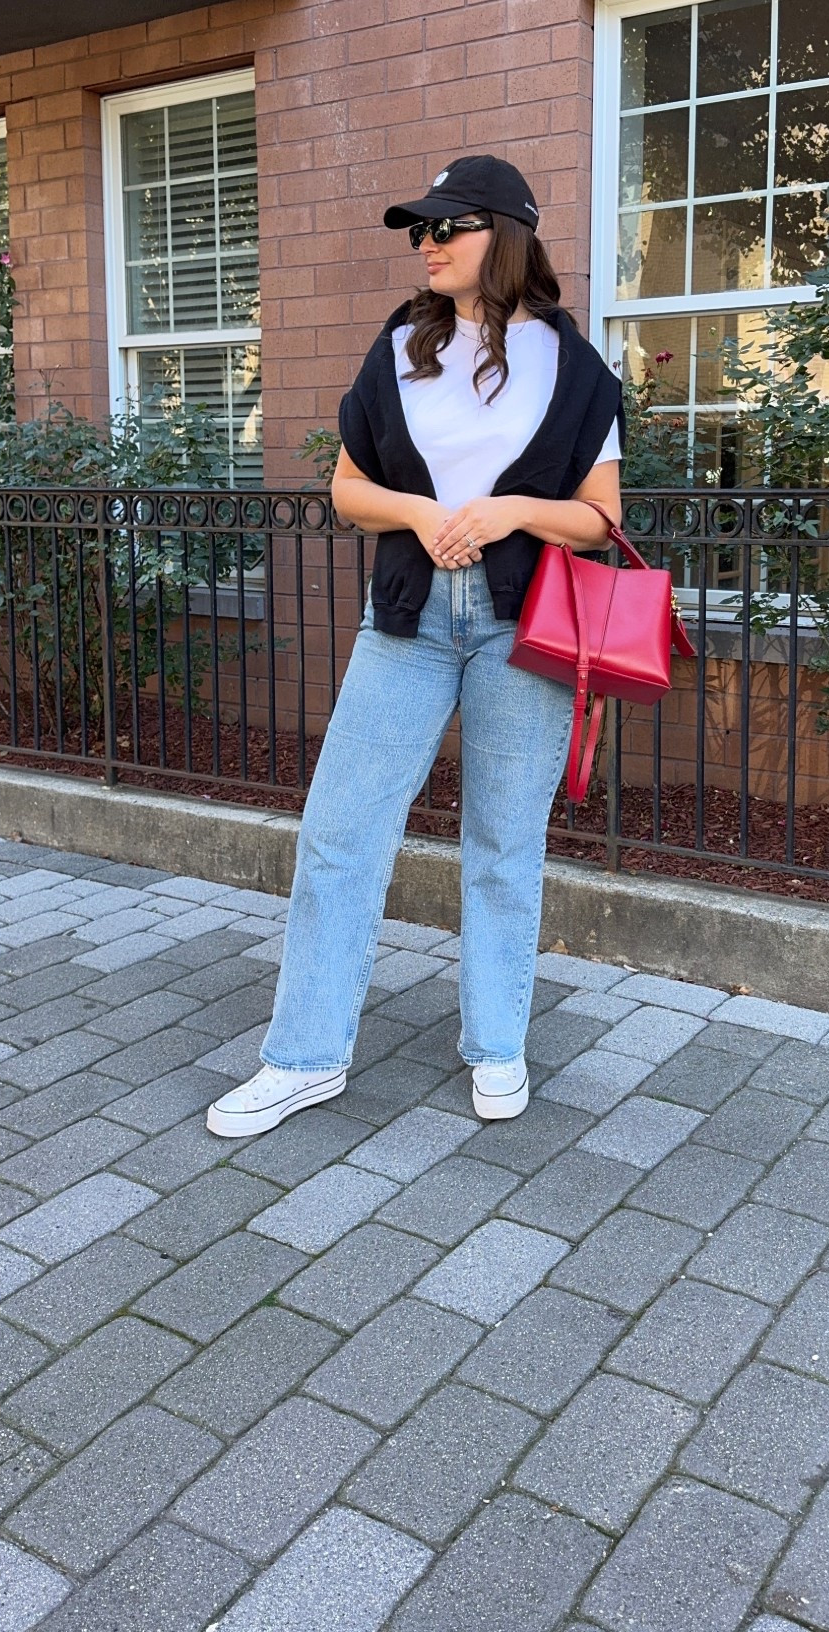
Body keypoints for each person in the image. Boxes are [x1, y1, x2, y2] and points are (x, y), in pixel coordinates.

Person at [206, 154, 624, 1137]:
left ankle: (497, 1044)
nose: (427, 243)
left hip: (528, 625)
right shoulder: (399, 346)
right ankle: (304, 1056)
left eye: (448, 226)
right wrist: (421, 510)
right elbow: (348, 488)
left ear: (507, 235)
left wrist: (514, 507)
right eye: (420, 230)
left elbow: (603, 520)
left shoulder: (578, 369)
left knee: (502, 846)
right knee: (340, 832)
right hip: (409, 616)